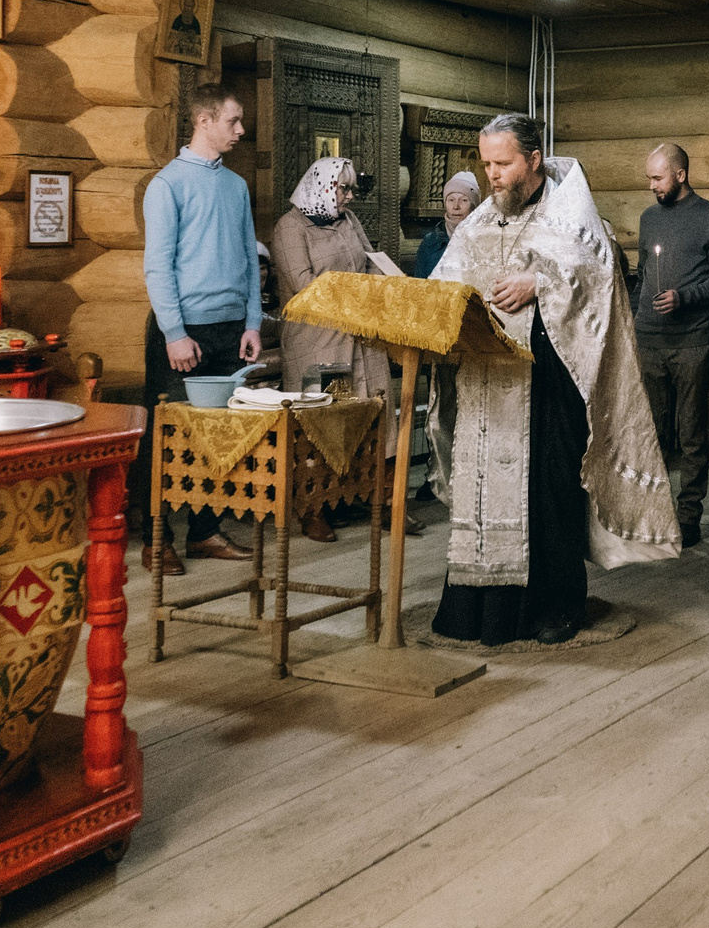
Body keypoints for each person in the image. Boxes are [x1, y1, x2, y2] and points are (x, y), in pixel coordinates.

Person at [430, 113, 679, 645]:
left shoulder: (571, 216)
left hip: (551, 379)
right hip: (486, 385)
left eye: (503, 164)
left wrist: (540, 281)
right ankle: (477, 610)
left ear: (534, 160)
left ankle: (557, 604)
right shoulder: (479, 220)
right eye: (487, 164)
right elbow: (444, 283)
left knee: (551, 490)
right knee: (482, 493)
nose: (492, 175)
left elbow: (600, 276)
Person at [139, 82, 264, 573]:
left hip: (231, 330)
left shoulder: (236, 186)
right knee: (166, 437)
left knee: (219, 438)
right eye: (233, 120)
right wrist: (174, 333)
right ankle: (156, 539)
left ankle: (204, 532)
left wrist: (252, 323)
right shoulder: (166, 185)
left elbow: (250, 261)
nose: (241, 129)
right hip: (182, 331)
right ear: (204, 121)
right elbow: (158, 267)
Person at [270, 155, 388, 542]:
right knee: (320, 421)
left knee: (362, 415)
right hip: (318, 340)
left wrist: (378, 284)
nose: (349, 196)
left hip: (358, 335)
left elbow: (370, 263)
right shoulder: (290, 227)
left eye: (351, 188)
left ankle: (359, 496)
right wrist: (357, 294)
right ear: (321, 187)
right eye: (343, 188)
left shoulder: (348, 221)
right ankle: (313, 507)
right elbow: (305, 287)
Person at [634, 144, 709, 548]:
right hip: (648, 339)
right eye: (649, 178)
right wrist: (632, 318)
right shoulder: (648, 218)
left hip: (691, 340)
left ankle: (689, 516)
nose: (652, 185)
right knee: (651, 433)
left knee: (691, 432)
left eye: (658, 177)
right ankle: (655, 514)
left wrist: (684, 297)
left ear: (681, 174)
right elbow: (643, 275)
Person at [415, 169, 479, 276]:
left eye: (464, 200)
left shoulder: (484, 241)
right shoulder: (430, 242)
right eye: (451, 200)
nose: (456, 206)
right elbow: (420, 281)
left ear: (474, 206)